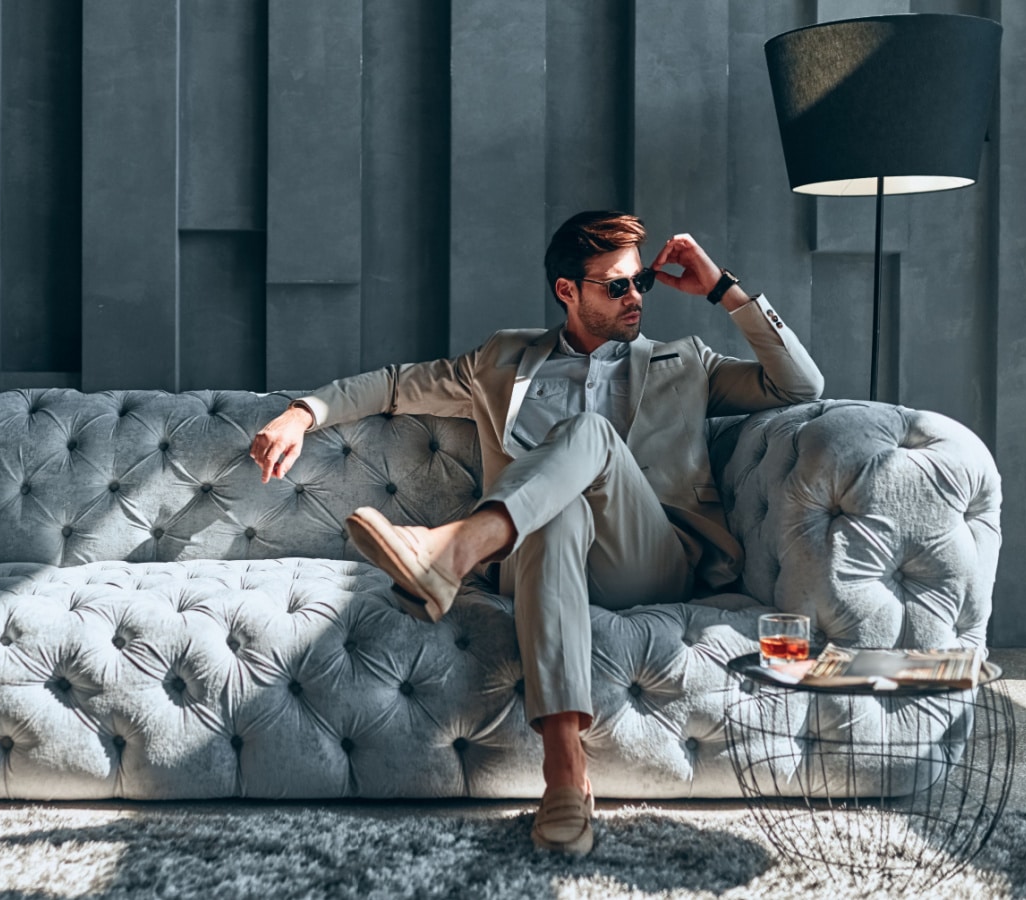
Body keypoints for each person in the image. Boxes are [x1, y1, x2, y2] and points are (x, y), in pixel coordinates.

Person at [248, 211, 824, 855]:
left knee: (588, 435)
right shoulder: (501, 361)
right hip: (538, 560)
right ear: (567, 291)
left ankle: (452, 549)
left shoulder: (684, 362)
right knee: (557, 516)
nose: (634, 298)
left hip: (649, 557)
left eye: (641, 285)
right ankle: (564, 776)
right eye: (615, 286)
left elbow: (799, 384)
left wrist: (723, 289)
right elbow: (392, 386)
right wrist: (302, 414)